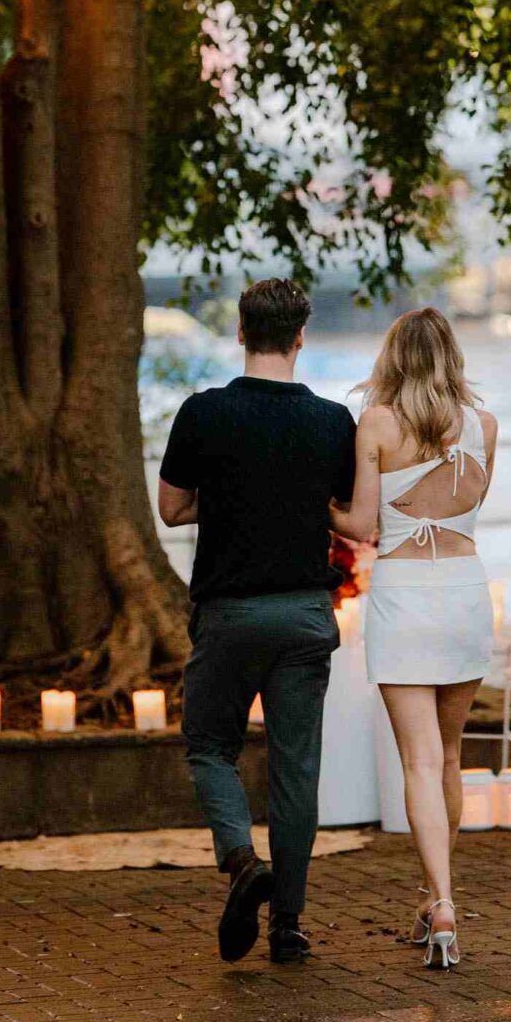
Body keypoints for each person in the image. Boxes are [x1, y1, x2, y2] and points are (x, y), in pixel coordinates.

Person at [158, 278, 355, 967]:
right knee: (296, 770)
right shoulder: (335, 422)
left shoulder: (203, 413)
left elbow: (172, 510)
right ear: (302, 337)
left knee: (210, 747)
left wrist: (236, 501)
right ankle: (290, 926)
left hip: (230, 614)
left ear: (240, 332)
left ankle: (243, 863)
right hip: (304, 615)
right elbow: (349, 514)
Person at [332, 307, 496, 970]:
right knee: (451, 756)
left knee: (420, 763)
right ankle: (437, 898)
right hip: (463, 592)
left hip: (403, 597)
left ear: (393, 357)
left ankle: (443, 900)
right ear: (452, 355)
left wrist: (310, 503)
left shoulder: (375, 424)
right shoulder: (484, 426)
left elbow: (361, 527)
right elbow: (470, 510)